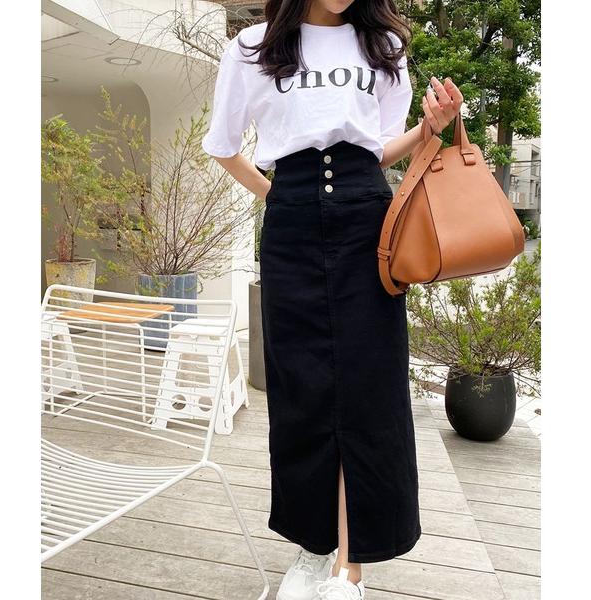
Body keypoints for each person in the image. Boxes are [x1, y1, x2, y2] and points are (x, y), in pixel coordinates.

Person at [201, 1, 463, 598]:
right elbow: (222, 144)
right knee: (301, 388)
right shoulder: (253, 46)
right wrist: (277, 196)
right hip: (291, 222)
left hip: (366, 221)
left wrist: (431, 127)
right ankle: (312, 545)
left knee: (369, 388)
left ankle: (350, 566)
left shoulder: (383, 46)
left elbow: (378, 148)